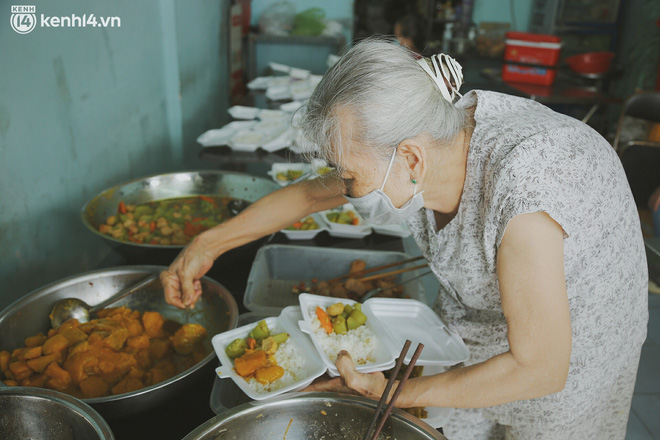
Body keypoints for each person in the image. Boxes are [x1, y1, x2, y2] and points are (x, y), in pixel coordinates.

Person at [161, 39, 648, 439]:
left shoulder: (527, 186)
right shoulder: (428, 139)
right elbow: (311, 196)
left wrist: (392, 391)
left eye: (349, 178)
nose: (344, 190)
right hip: (483, 331)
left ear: (412, 160)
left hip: (572, 357)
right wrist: (207, 244)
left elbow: (539, 367)